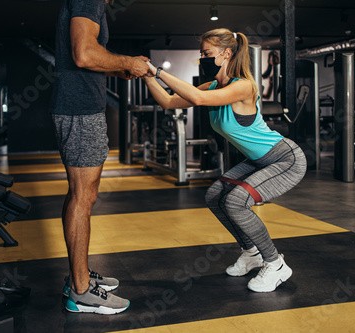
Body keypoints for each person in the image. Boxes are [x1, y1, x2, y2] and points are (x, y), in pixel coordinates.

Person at [142, 28, 307, 292]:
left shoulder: (242, 87)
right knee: (214, 196)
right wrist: (147, 76)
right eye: (201, 54)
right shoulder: (213, 85)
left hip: (284, 159)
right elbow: (169, 102)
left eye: (207, 54)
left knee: (236, 201)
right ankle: (251, 252)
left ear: (226, 53)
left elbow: (197, 98)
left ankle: (275, 264)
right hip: (257, 160)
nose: (203, 59)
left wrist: (158, 71)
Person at [49, 0, 150, 314]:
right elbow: (84, 54)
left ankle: (78, 277)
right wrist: (128, 61)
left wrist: (120, 68)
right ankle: (81, 291)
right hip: (80, 111)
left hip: (80, 108)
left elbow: (89, 55)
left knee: (81, 194)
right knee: (83, 197)